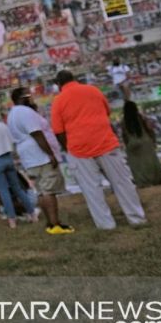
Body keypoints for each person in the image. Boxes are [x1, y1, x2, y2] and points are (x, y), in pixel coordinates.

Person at [50, 70, 147, 230]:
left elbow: (58, 131)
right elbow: (106, 111)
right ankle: (137, 218)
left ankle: (106, 225)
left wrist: (69, 147)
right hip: (105, 142)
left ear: (58, 84)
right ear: (74, 78)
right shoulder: (93, 90)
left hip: (79, 149)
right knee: (122, 183)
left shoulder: (58, 101)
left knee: (92, 189)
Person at [7, 88, 74, 235]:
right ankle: (55, 224)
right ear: (22, 98)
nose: (31, 97)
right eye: (28, 95)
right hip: (40, 155)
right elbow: (37, 133)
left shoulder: (13, 113)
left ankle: (51, 223)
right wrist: (50, 154)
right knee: (49, 190)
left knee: (42, 191)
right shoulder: (25, 112)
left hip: (30, 157)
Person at [0, 109, 36, 229]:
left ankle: (12, 220)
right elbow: (11, 141)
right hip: (8, 158)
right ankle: (32, 215)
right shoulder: (3, 125)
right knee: (18, 189)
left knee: (4, 192)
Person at [121, 100, 161, 187]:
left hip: (132, 143)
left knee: (137, 165)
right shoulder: (141, 117)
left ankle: (143, 182)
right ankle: (157, 179)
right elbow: (149, 129)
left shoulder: (124, 121)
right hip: (145, 141)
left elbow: (124, 135)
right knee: (151, 161)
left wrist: (127, 144)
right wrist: (153, 140)